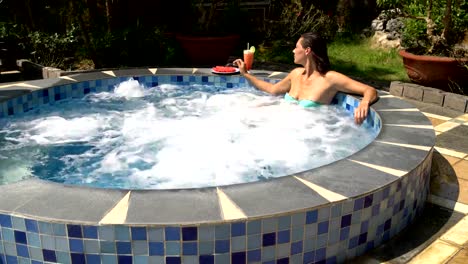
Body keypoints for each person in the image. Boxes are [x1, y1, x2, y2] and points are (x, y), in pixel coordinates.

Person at [233, 32, 377, 125]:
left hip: (307, 134)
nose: (293, 50)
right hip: (281, 125)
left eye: (296, 47)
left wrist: (364, 103)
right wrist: (246, 74)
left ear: (307, 50)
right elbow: (272, 89)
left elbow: (369, 90)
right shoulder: (296, 74)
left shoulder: (329, 79)